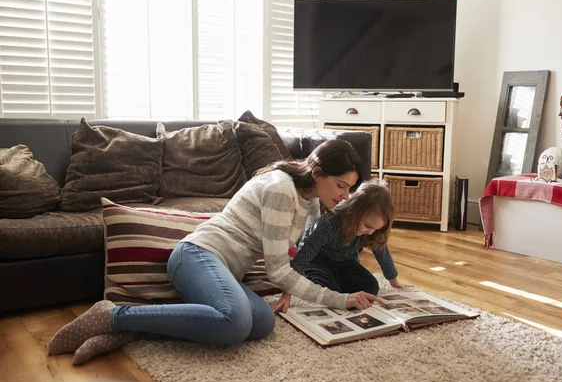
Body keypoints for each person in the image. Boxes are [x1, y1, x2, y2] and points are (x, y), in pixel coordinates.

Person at [47, 139, 385, 365]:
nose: (344, 196)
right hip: (197, 255)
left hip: (225, 271)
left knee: (262, 322)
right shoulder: (281, 190)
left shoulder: (311, 200)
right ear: (318, 173)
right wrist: (340, 299)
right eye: (341, 186)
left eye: (350, 188)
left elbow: (294, 254)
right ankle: (113, 315)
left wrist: (290, 290)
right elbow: (277, 270)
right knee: (235, 323)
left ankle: (132, 332)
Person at [272, 179, 411, 313]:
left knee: (371, 286)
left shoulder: (370, 232)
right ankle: (324, 282)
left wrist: (394, 281)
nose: (370, 231)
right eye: (368, 226)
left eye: (375, 229)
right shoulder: (329, 223)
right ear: (354, 212)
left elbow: (382, 254)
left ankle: (339, 285)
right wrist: (287, 293)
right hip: (318, 260)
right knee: (328, 291)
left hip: (346, 261)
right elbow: (304, 256)